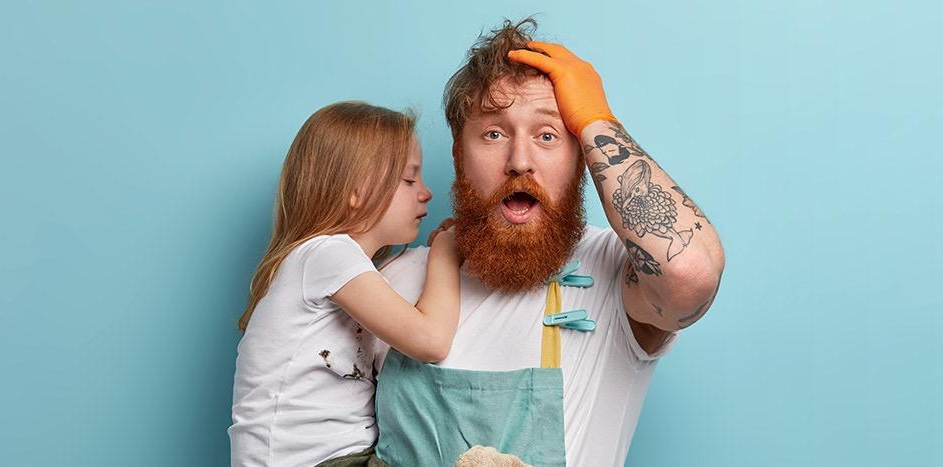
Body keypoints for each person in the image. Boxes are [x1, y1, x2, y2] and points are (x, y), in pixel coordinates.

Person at [363, 19, 727, 466]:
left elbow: (690, 274)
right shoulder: (384, 284)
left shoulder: (613, 275)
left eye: (548, 136)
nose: (519, 161)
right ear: (459, 154)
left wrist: (595, 121)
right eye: (493, 134)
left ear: (582, 162)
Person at [228, 101, 464, 467]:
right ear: (355, 191)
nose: (426, 192)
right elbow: (430, 341)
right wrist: (447, 255)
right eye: (408, 179)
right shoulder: (326, 255)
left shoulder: (338, 264)